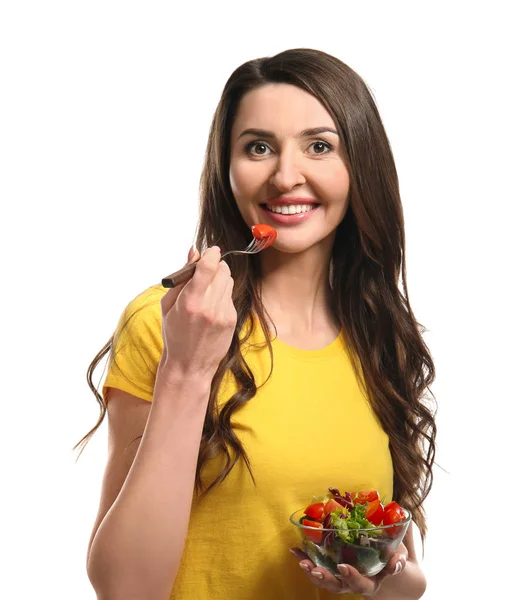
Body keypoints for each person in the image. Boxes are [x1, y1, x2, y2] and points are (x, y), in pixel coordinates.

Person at [76, 47, 437, 600]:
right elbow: (126, 589)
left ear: (361, 165)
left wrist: (390, 583)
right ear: (227, 168)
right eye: (258, 147)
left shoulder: (379, 333)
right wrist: (187, 369)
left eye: (319, 146)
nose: (285, 176)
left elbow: (399, 576)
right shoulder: (167, 323)